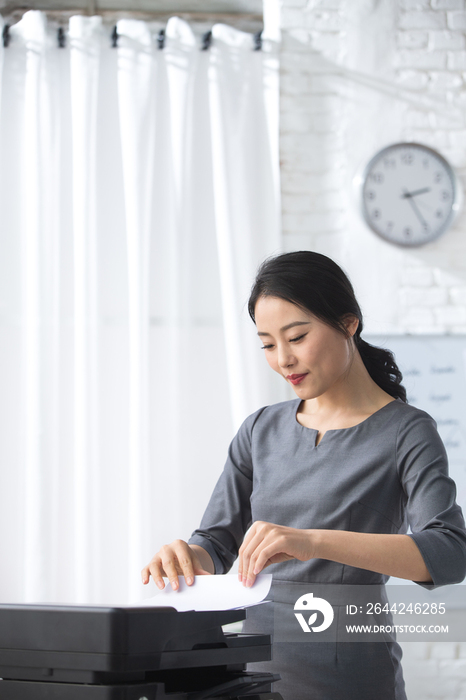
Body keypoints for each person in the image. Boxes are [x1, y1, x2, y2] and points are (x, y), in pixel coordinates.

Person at [141, 251, 466, 700]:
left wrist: (311, 541)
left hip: (350, 677)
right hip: (248, 676)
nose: (284, 360)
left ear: (348, 322)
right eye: (269, 345)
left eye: (296, 337)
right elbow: (215, 543)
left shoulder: (406, 431)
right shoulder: (260, 430)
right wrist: (184, 558)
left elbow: (450, 552)